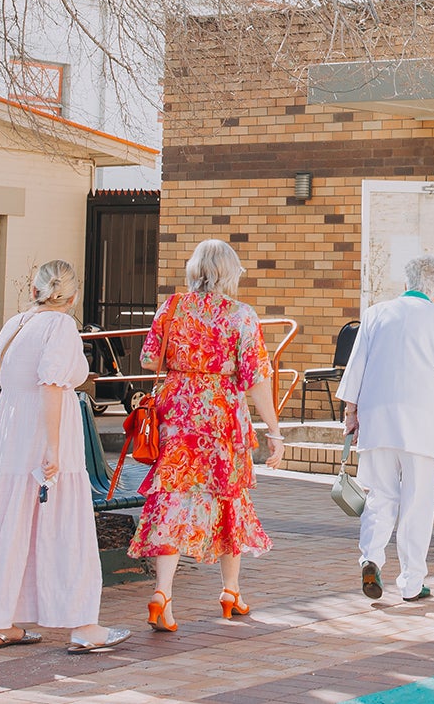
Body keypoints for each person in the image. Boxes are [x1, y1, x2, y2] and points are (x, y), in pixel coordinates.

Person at [0, 261, 132, 654]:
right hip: (45, 430)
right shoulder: (60, 327)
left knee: (12, 524)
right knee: (63, 524)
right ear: (73, 296)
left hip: (13, 432)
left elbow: (8, 380)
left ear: (34, 291)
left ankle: (0, 622)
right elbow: (50, 384)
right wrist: (52, 447)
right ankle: (84, 625)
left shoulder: (15, 325)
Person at [128, 239, 285, 626]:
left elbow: (148, 358)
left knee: (172, 497)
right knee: (229, 498)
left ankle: (163, 592)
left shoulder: (173, 307)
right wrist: (274, 431)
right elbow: (256, 378)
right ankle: (230, 590)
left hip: (178, 414)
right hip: (221, 416)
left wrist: (186, 359)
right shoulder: (241, 315)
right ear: (230, 273)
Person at [337, 253, 434, 603]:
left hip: (377, 418)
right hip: (420, 423)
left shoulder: (376, 314)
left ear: (405, 283)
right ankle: (412, 583)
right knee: (418, 502)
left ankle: (371, 558)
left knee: (379, 495)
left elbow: (356, 367)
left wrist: (351, 412)